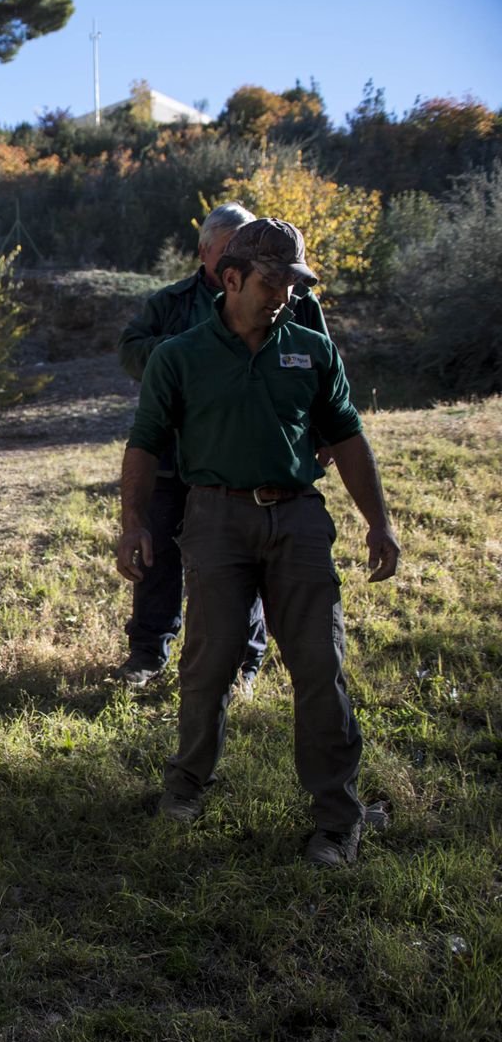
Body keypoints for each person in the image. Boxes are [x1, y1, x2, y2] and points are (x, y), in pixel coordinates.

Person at [115, 218, 399, 866]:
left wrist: (377, 521)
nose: (286, 297)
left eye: (295, 284)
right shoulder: (179, 355)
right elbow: (146, 443)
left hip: (297, 519)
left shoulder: (310, 348)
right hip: (214, 520)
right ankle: (186, 785)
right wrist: (133, 523)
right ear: (231, 277)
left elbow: (348, 437)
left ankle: (337, 820)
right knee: (207, 666)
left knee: (320, 670)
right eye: (274, 283)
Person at [114, 202, 331, 690]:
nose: (235, 256)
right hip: (173, 458)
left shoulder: (293, 299)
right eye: (226, 249)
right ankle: (148, 652)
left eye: (243, 246)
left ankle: (243, 664)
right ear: (205, 251)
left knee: (244, 557)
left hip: (248, 460)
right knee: (158, 557)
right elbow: (130, 350)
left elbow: (323, 371)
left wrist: (322, 435)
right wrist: (188, 352)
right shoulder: (171, 302)